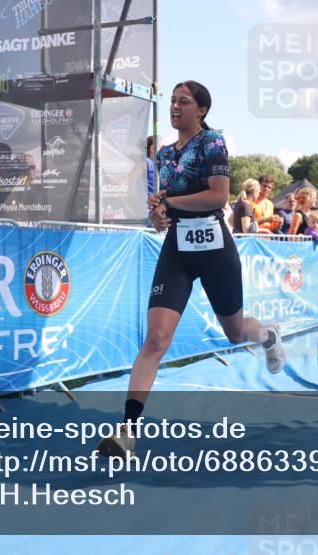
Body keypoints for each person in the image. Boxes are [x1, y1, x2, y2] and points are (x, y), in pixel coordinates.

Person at [98, 81, 285, 461]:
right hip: (178, 249)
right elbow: (163, 214)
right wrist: (158, 214)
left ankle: (267, 336)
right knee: (156, 338)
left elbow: (218, 195)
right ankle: (127, 431)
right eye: (172, 101)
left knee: (234, 333)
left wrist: (169, 200)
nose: (175, 106)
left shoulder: (212, 141)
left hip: (214, 246)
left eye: (184, 101)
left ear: (201, 110)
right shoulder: (165, 155)